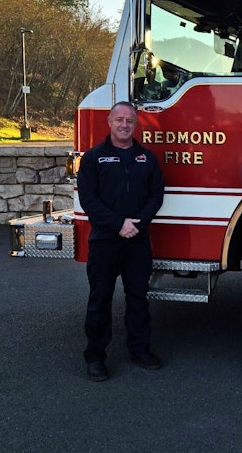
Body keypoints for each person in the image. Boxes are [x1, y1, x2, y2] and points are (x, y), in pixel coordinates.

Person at [77, 101, 166, 382]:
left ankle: (140, 350)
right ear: (109, 122)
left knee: (138, 299)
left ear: (136, 124)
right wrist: (119, 224)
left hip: (137, 240)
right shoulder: (93, 158)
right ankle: (95, 357)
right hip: (105, 240)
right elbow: (88, 199)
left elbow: (156, 196)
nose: (124, 125)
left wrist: (136, 224)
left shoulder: (147, 159)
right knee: (99, 300)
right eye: (119, 120)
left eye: (129, 120)